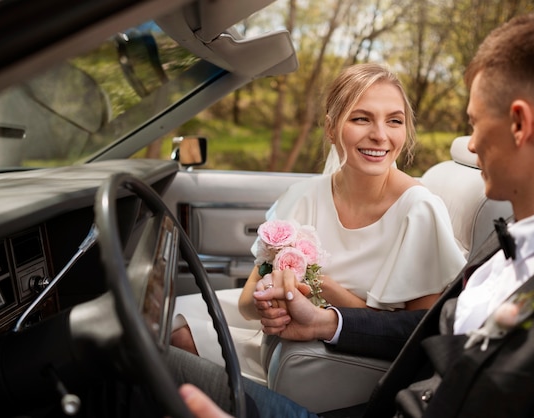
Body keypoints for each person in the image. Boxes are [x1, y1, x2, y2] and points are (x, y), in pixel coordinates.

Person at [173, 4, 534, 418]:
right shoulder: (508, 239)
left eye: (474, 124)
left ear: (519, 124)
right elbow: (428, 332)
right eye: (362, 119)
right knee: (151, 352)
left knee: (134, 368)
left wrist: (324, 298)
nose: (469, 146)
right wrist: (326, 322)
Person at [171, 63, 466, 384]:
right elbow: (246, 303)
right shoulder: (303, 197)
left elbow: (419, 333)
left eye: (394, 121)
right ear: (330, 128)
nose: (380, 135)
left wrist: (320, 284)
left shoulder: (419, 210)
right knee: (168, 320)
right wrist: (269, 306)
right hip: (278, 338)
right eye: (361, 118)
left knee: (181, 343)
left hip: (345, 361)